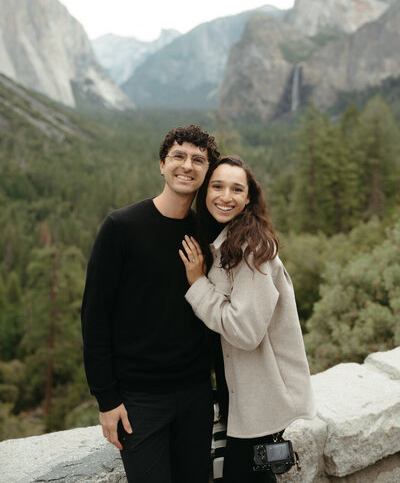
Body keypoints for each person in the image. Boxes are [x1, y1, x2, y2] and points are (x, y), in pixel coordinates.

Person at [81, 124, 220, 483]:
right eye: (178, 156)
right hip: (139, 400)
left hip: (195, 395)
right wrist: (107, 400)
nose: (187, 165)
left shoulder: (208, 235)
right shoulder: (120, 227)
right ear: (162, 164)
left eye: (198, 160)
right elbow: (95, 317)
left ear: (206, 172)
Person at [179, 156, 316, 483]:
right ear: (205, 191)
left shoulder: (252, 249)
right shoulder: (226, 241)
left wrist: (197, 284)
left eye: (236, 189)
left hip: (261, 400)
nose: (226, 196)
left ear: (248, 199)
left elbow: (245, 331)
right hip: (243, 396)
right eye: (217, 186)